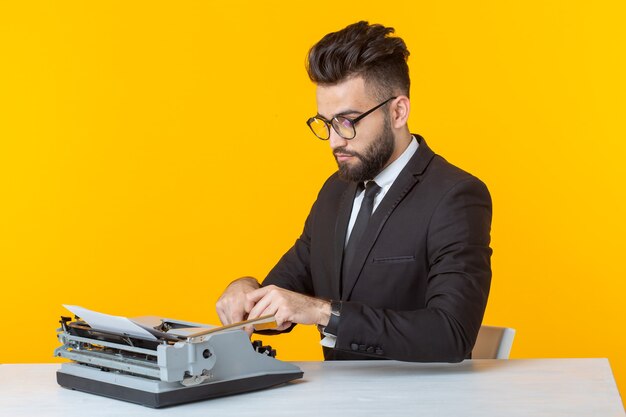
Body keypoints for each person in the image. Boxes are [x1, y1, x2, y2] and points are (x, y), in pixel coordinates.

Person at [216, 21, 492, 362]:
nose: (334, 140)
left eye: (348, 122)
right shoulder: (335, 191)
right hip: (337, 400)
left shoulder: (456, 196)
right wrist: (246, 290)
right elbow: (285, 294)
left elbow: (451, 335)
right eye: (325, 123)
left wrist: (323, 313)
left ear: (398, 111)